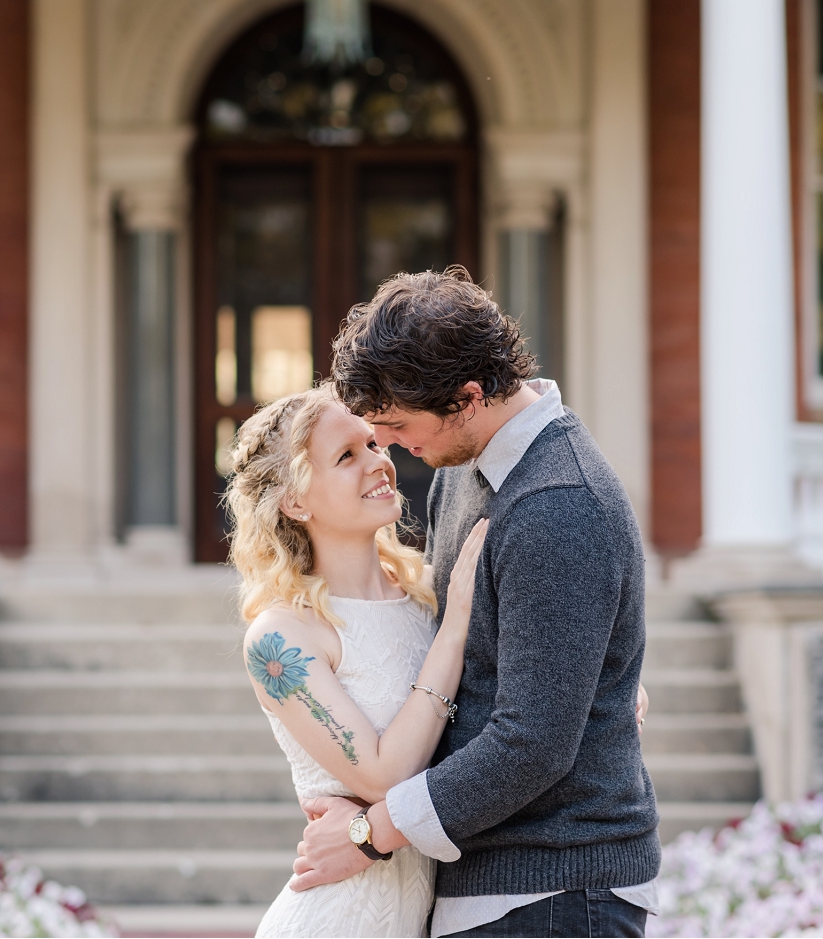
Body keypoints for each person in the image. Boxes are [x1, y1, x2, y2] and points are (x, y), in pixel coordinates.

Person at [289, 267, 661, 938]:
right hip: (496, 887)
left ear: (467, 398)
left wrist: (373, 832)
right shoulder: (463, 472)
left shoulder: (558, 502)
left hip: (554, 891)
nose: (393, 446)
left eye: (399, 425)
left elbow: (533, 744)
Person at [227, 384, 490, 938]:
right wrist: (458, 624)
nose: (379, 463)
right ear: (295, 501)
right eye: (347, 456)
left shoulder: (426, 594)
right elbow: (384, 776)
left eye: (374, 444)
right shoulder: (281, 638)